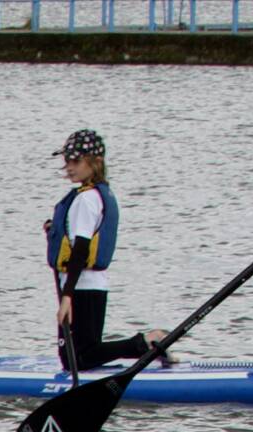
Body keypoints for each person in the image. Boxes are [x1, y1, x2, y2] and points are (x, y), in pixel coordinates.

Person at [47, 129, 167, 372]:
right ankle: (144, 344)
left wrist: (67, 297)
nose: (69, 167)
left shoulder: (85, 199)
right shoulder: (97, 195)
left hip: (80, 287)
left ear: (95, 162)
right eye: (67, 160)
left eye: (76, 161)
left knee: (75, 359)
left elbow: (81, 249)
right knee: (84, 353)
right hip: (94, 284)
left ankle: (146, 342)